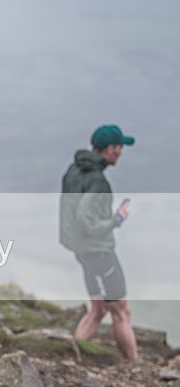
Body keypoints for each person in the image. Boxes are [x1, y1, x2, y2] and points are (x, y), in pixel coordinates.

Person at [60, 124, 138, 360]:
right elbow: (87, 220)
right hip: (100, 253)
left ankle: (74, 357)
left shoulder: (74, 170)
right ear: (111, 149)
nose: (122, 152)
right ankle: (134, 364)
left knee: (98, 308)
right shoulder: (98, 182)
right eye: (120, 147)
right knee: (121, 312)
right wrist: (117, 219)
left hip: (81, 250)